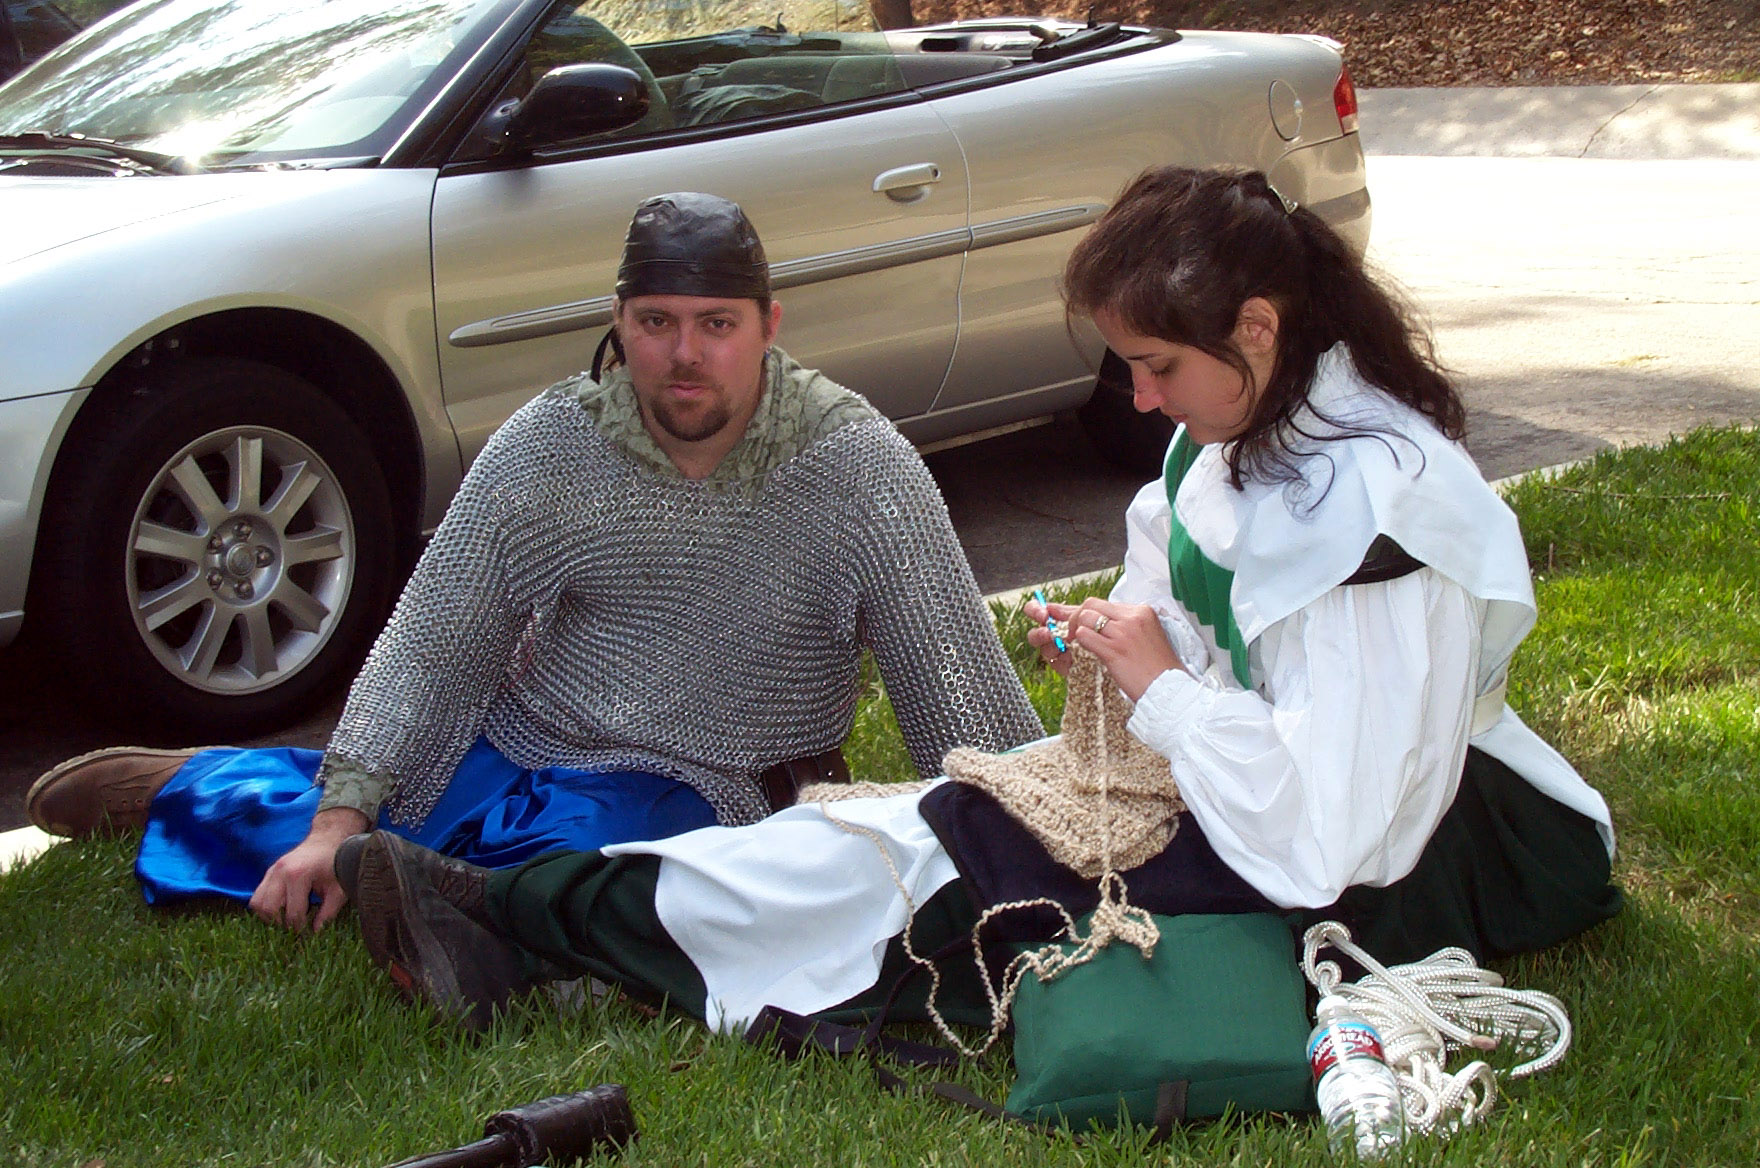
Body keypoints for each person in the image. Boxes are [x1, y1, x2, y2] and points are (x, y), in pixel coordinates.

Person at [326, 165, 1623, 1035]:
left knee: (948, 889)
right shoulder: (1230, 438)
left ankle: (526, 927)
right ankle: (517, 915)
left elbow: (1334, 836)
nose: (1142, 401)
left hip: (1433, 847)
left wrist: (1162, 691)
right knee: (907, 830)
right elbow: (1197, 622)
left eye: (1155, 365)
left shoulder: (1380, 507)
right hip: (1244, 793)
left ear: (1258, 331)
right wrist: (1122, 648)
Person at [26, 191, 1045, 933]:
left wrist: (1028, 832)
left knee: (605, 874)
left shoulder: (857, 466)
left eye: (716, 325)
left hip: (718, 782)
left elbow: (956, 685)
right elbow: (433, 643)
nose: (685, 355)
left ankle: (432, 895)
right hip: (527, 742)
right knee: (349, 824)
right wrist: (337, 820)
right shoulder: (553, 445)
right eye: (656, 323)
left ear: (768, 327)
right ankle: (201, 787)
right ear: (619, 323)